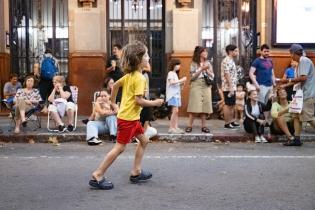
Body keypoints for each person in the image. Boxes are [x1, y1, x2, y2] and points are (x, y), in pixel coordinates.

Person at [88, 41, 164, 190]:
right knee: (120, 148)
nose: (149, 57)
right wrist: (155, 102)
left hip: (131, 118)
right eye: (146, 55)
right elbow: (139, 101)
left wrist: (113, 103)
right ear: (138, 59)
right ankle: (98, 175)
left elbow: (115, 86)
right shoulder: (140, 78)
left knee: (144, 140)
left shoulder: (130, 75)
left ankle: (136, 172)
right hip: (128, 119)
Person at [279, 44, 315, 146]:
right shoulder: (299, 63)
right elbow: (297, 81)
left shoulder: (304, 61)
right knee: (296, 116)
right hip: (301, 94)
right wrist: (284, 85)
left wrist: (287, 80)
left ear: (294, 53)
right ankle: (297, 139)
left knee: (308, 117)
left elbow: (303, 78)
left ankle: (296, 139)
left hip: (307, 93)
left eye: (290, 53)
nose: (290, 56)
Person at [186, 46, 214, 133]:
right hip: (196, 84)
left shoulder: (208, 63)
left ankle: (204, 126)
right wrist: (201, 69)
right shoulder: (194, 63)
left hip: (206, 85)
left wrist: (207, 70)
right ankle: (189, 126)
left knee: (205, 106)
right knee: (194, 105)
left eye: (206, 51)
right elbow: (192, 77)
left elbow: (212, 76)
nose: (206, 53)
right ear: (200, 53)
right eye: (204, 51)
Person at [221, 44, 240, 129]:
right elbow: (226, 74)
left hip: (232, 86)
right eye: (236, 51)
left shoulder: (231, 60)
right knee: (228, 104)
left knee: (232, 104)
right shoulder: (226, 60)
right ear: (230, 51)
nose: (237, 52)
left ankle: (231, 121)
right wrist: (231, 87)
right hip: (228, 87)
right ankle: (227, 123)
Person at [35, 48, 59, 112]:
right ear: (51, 52)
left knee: (42, 93)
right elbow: (57, 71)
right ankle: (50, 109)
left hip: (43, 79)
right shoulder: (55, 59)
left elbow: (36, 67)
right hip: (52, 79)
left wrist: (37, 76)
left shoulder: (41, 57)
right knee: (50, 93)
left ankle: (41, 108)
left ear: (45, 52)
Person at [166, 58, 186, 134]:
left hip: (176, 95)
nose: (179, 66)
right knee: (175, 111)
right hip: (172, 95)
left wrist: (181, 83)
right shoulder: (170, 73)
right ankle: (171, 127)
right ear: (173, 65)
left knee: (176, 112)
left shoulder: (175, 74)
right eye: (177, 64)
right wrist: (181, 80)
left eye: (179, 65)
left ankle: (175, 127)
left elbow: (176, 84)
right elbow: (171, 82)